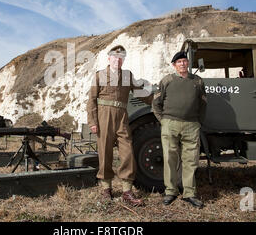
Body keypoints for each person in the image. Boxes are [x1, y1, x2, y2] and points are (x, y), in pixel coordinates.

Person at [87, 45, 145, 206]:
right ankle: (107, 189)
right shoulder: (99, 75)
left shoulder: (127, 75)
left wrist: (157, 99)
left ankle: (127, 191)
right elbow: (91, 100)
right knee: (105, 153)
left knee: (127, 152)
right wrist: (92, 122)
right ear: (109, 58)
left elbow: (140, 92)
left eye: (121, 58)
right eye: (115, 57)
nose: (118, 60)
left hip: (122, 116)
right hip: (104, 116)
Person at [152, 51, 207, 208]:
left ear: (188, 63)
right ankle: (170, 191)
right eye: (179, 62)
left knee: (191, 159)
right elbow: (156, 103)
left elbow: (203, 104)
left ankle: (189, 193)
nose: (182, 64)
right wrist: (163, 121)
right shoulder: (167, 80)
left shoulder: (197, 81)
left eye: (184, 61)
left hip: (192, 125)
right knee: (170, 158)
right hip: (170, 124)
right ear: (174, 65)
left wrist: (199, 122)